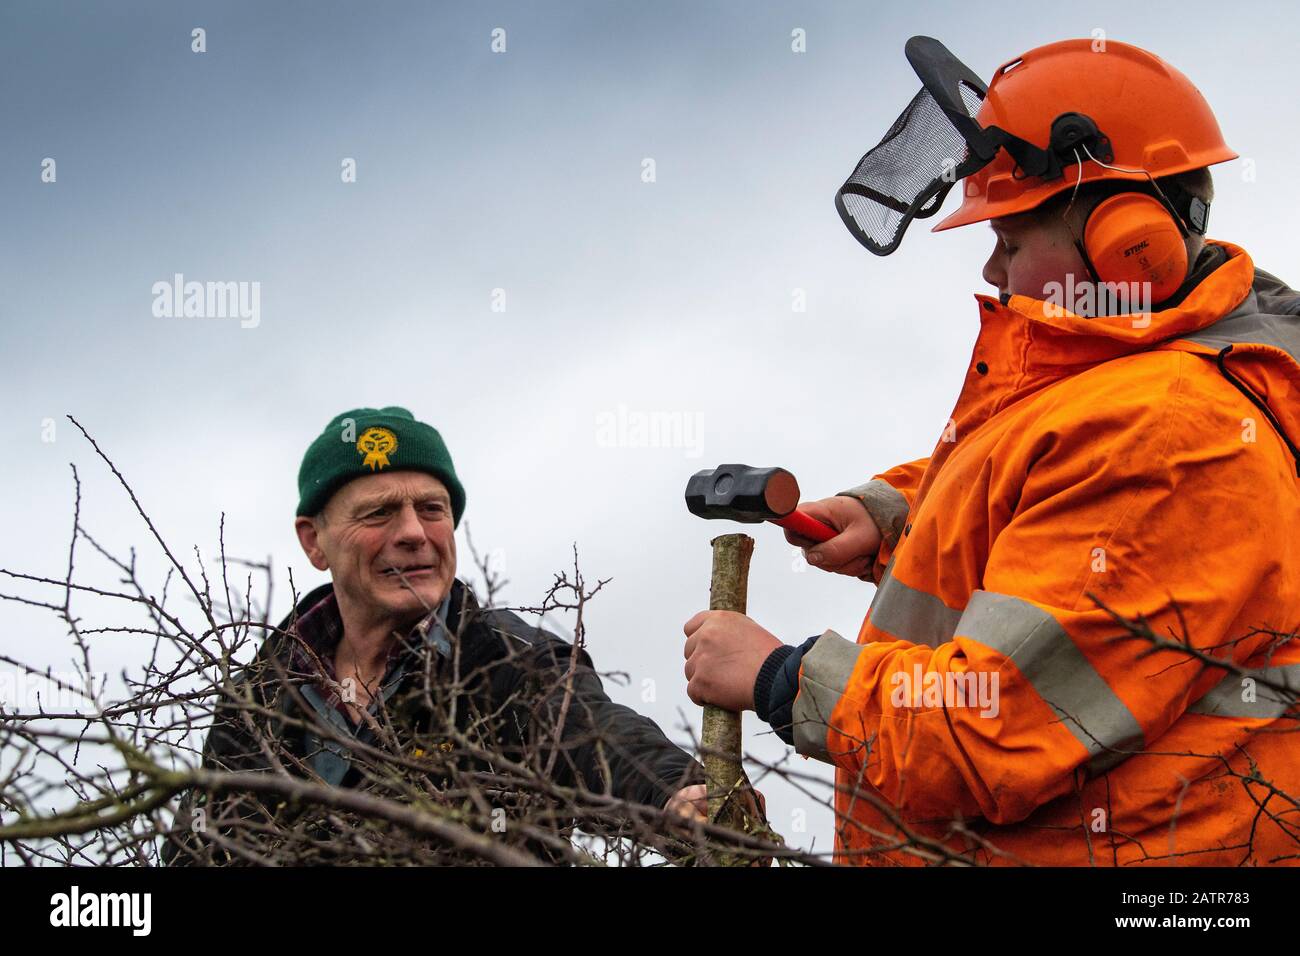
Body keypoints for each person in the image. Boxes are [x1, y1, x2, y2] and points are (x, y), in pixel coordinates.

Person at [682, 37, 1300, 866]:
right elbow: (1050, 485)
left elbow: (993, 728)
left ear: (1129, 246)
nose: (991, 264)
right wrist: (896, 514)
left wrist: (782, 679)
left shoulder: (1176, 443)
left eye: (1010, 238)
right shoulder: (1135, 386)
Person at [165, 406, 706, 864]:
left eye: (432, 509)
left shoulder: (507, 659)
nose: (412, 533)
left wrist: (678, 794)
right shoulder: (258, 696)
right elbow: (199, 846)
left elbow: (599, 739)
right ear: (314, 542)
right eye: (378, 513)